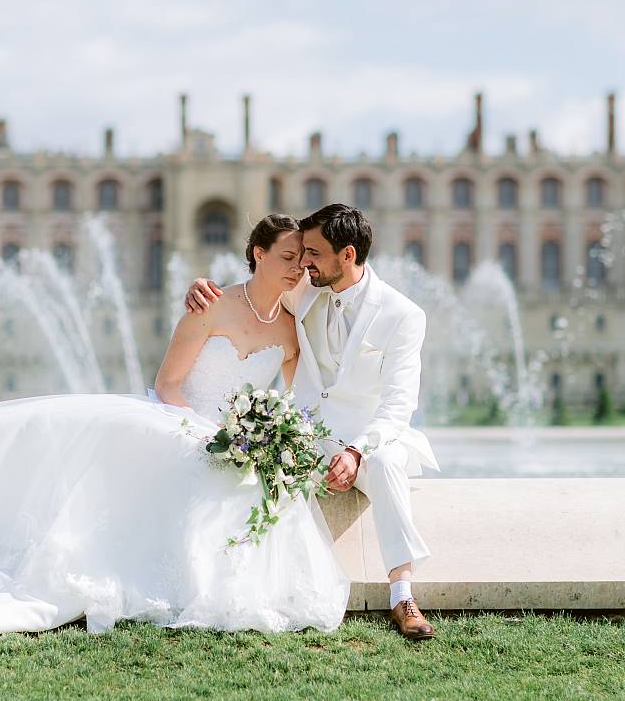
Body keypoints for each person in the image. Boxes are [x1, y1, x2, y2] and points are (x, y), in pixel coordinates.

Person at [0, 214, 350, 653]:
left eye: (302, 261)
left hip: (239, 442)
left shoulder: (292, 328)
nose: (297, 269)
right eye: (287, 257)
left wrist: (264, 440)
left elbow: (285, 399)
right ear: (257, 254)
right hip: (178, 420)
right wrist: (207, 433)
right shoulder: (211, 303)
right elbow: (168, 384)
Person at [185, 203, 441, 640]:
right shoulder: (304, 289)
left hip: (372, 437)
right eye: (302, 253)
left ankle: (402, 594)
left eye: (314, 253)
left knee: (384, 465)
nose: (304, 263)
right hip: (309, 435)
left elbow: (399, 405)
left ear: (347, 255)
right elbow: (252, 288)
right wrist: (200, 287)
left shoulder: (403, 315)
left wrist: (358, 449)